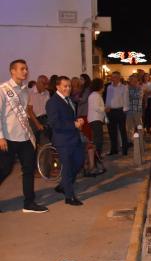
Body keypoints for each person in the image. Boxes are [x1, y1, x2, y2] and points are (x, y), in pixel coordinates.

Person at [0, 60, 48, 213]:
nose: (25, 71)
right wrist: (0, 137)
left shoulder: (25, 91)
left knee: (28, 170)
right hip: (8, 139)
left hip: (25, 138)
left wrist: (32, 135)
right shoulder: (3, 90)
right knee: (5, 170)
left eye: (26, 69)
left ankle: (29, 203)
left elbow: (26, 114)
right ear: (12, 71)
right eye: (22, 69)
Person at [46, 76, 86, 206]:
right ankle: (69, 197)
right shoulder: (52, 102)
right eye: (65, 86)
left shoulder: (69, 99)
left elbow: (71, 116)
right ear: (57, 87)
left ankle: (63, 185)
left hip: (74, 138)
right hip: (63, 140)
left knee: (79, 162)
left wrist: (78, 120)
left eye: (69, 86)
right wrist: (73, 125)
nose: (68, 88)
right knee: (68, 167)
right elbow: (54, 123)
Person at [105, 71, 129, 156]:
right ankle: (113, 149)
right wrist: (107, 107)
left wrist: (125, 110)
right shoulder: (109, 87)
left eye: (115, 77)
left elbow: (126, 99)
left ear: (119, 78)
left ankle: (125, 149)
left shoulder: (124, 87)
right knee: (112, 131)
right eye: (112, 77)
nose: (113, 78)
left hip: (120, 110)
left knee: (122, 131)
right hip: (110, 111)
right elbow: (108, 98)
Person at [27, 74, 51, 145]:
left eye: (47, 84)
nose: (46, 86)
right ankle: (35, 156)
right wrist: (37, 123)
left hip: (44, 118)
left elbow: (48, 107)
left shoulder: (47, 92)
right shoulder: (30, 93)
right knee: (34, 142)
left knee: (46, 142)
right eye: (44, 84)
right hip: (32, 119)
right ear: (38, 82)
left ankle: (45, 156)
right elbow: (29, 110)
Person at [87, 78, 107, 163]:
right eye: (103, 85)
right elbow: (96, 108)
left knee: (98, 139)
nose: (104, 87)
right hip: (95, 119)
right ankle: (96, 157)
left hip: (96, 119)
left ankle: (97, 156)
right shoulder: (95, 95)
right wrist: (105, 109)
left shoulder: (96, 95)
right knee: (98, 139)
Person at [127, 74, 143, 139]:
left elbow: (137, 96)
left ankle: (141, 141)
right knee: (129, 128)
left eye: (133, 80)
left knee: (139, 127)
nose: (131, 81)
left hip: (137, 111)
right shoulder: (127, 88)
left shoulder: (139, 88)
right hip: (129, 111)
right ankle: (131, 141)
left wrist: (129, 96)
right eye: (131, 80)